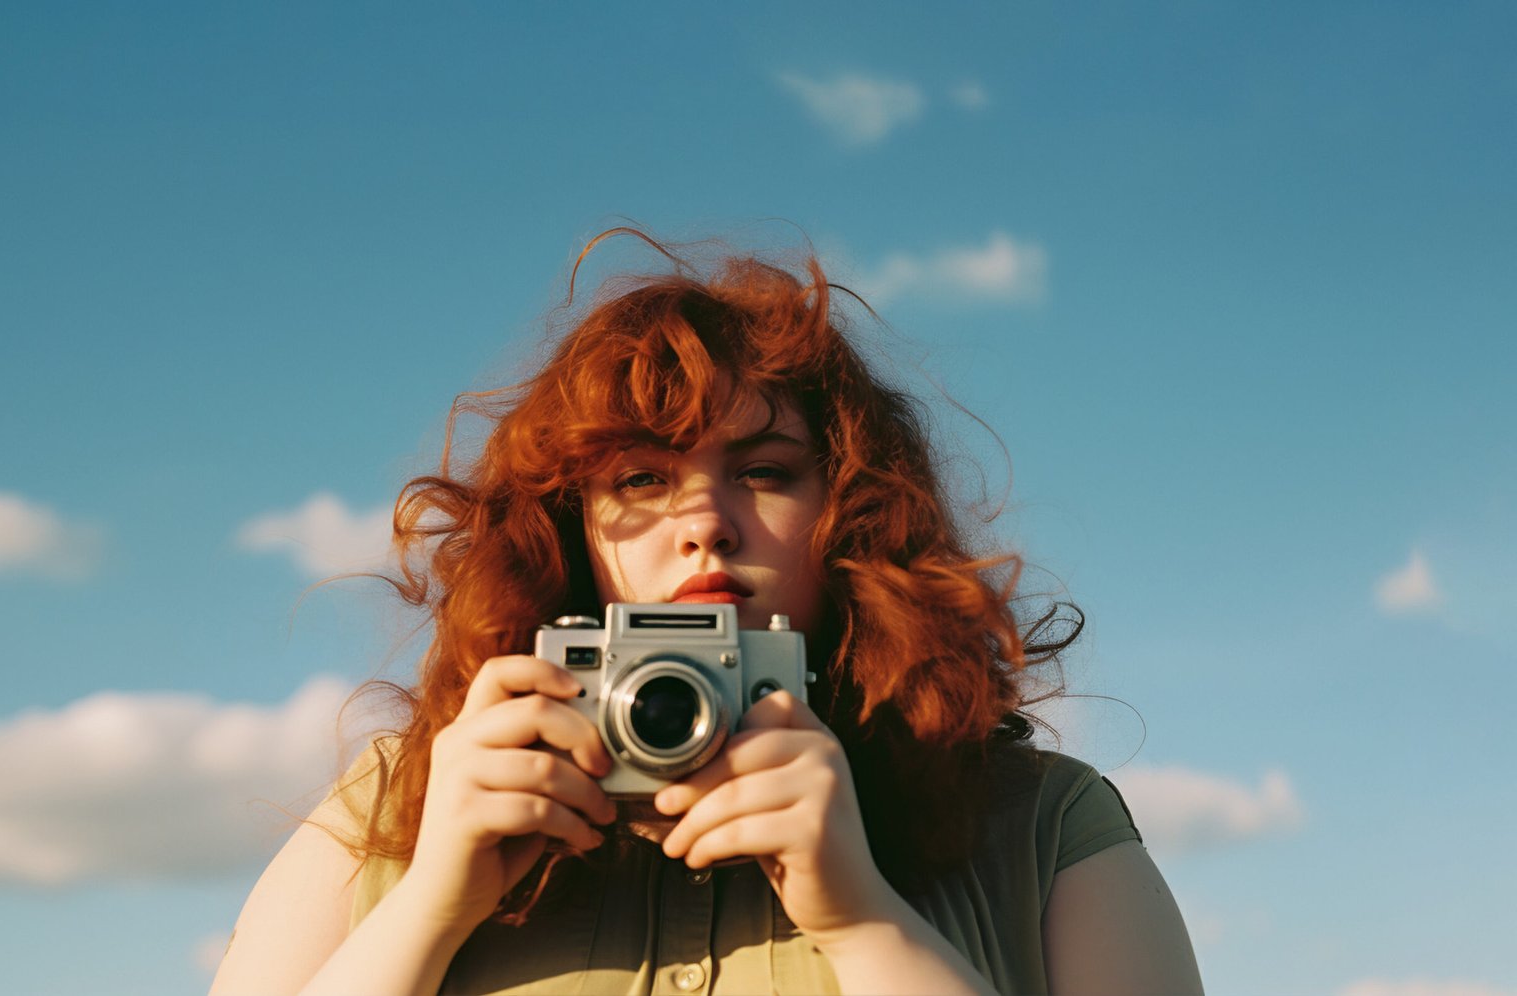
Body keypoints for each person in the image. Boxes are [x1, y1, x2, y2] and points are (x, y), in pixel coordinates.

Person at [209, 230, 1204, 995]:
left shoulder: (1036, 824)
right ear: (567, 528)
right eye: (639, 478)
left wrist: (863, 919)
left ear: (850, 513)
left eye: (764, 473)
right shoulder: (396, 808)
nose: (703, 525)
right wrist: (429, 904)